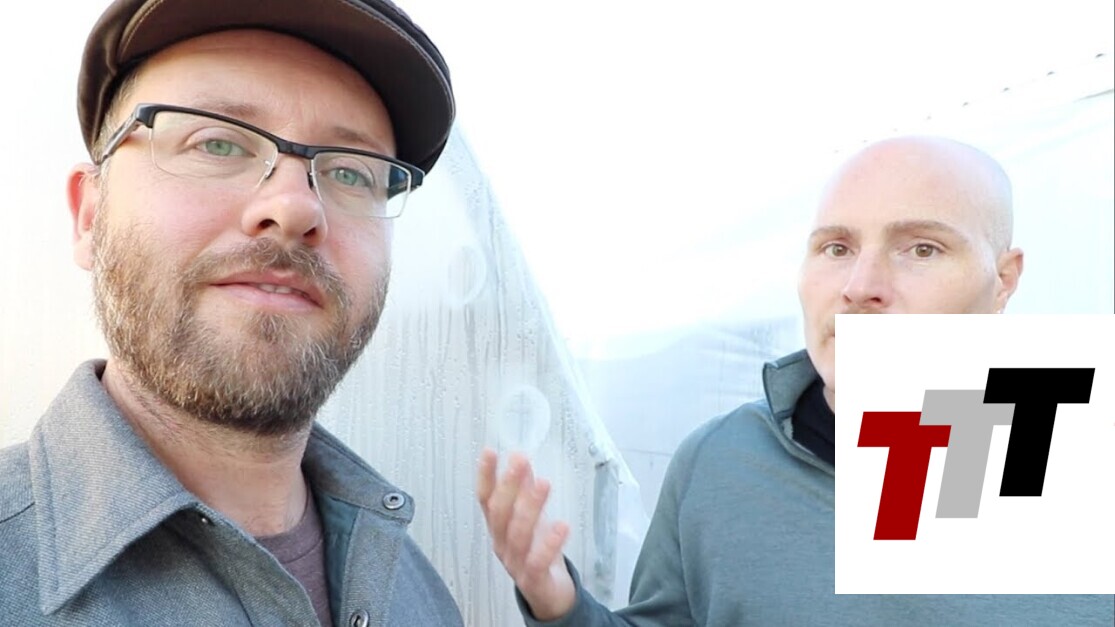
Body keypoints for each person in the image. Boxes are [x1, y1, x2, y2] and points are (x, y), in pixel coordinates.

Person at [477, 136, 1115, 625]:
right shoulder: (720, 461)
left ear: (1004, 279)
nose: (860, 287)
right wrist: (564, 608)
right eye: (837, 248)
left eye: (921, 248)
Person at [0, 0, 462, 625]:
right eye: (217, 142)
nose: (295, 208)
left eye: (352, 173)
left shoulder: (421, 594)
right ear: (89, 216)